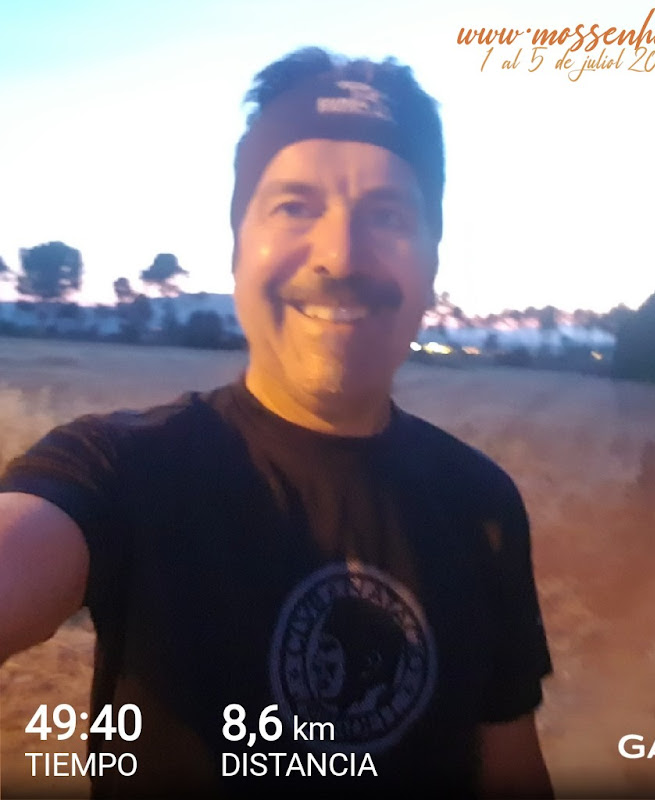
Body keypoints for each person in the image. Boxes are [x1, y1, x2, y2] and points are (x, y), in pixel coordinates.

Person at [0, 47, 553, 798]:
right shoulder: (120, 470)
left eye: (387, 214)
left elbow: (511, 761)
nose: (340, 256)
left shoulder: (482, 504)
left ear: (432, 260)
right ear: (238, 246)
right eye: (295, 206)